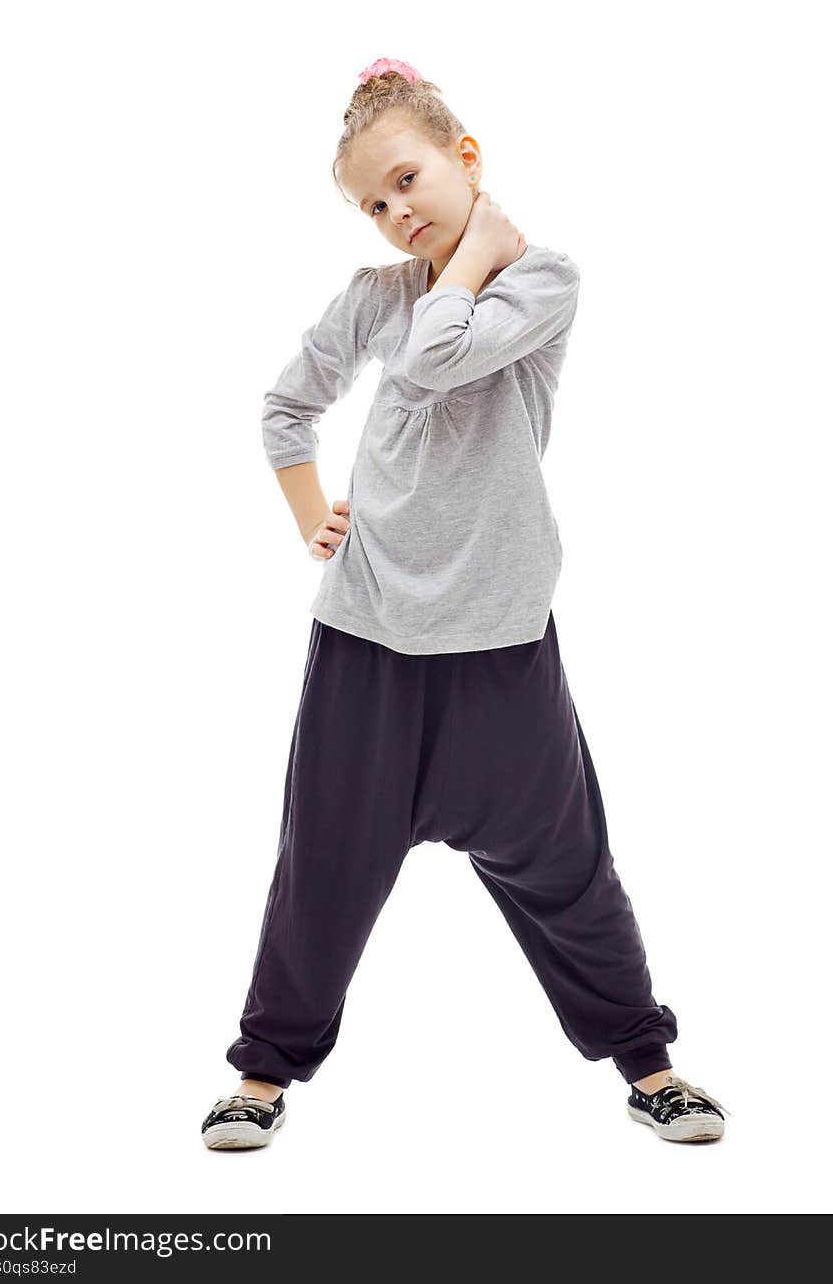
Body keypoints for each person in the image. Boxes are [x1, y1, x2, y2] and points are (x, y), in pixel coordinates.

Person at [201, 57, 729, 1152]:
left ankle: (648, 1061)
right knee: (324, 868)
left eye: (408, 181)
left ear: (465, 157)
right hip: (367, 637)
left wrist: (484, 248)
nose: (396, 214)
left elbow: (441, 361)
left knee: (567, 864)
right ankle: (262, 1072)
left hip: (499, 639)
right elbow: (285, 408)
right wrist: (313, 515)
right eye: (373, 203)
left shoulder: (541, 283)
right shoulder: (377, 297)